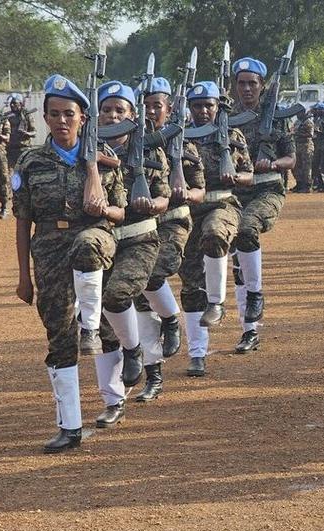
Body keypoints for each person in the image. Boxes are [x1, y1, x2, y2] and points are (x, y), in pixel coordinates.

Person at [12, 74, 127, 452]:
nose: (62, 121)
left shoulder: (102, 159)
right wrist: (24, 277)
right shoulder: (30, 161)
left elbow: (121, 211)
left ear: (82, 118)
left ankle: (100, 355)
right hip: (48, 250)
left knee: (86, 248)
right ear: (45, 117)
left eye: (69, 114)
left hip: (94, 237)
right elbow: (23, 221)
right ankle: (70, 425)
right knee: (60, 335)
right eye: (55, 114)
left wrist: (101, 203)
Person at [93, 80, 170, 426]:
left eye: (119, 110)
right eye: (106, 110)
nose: (112, 116)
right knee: (100, 323)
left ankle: (148, 364)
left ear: (132, 115)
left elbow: (165, 196)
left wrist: (152, 204)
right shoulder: (87, 152)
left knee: (123, 296)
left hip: (140, 240)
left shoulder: (149, 149)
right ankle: (113, 400)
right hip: (103, 245)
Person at [133, 76, 207, 401]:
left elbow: (200, 190)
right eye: (145, 106)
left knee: (156, 274)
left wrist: (185, 192)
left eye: (156, 106)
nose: (151, 111)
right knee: (139, 298)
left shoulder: (183, 146)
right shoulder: (129, 145)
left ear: (169, 108)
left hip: (173, 221)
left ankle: (173, 320)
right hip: (140, 226)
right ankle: (154, 375)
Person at [179, 81, 253, 376]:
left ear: (217, 107)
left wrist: (235, 176)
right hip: (188, 212)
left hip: (223, 204)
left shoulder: (232, 135)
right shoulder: (181, 137)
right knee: (189, 283)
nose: (202, 111)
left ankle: (217, 302)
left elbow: (249, 174)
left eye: (208, 105)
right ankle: (197, 353)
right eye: (197, 106)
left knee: (214, 233)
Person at [231, 56, 296, 353]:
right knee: (237, 262)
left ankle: (256, 294)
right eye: (242, 83)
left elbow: (291, 159)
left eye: (252, 84)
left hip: (268, 190)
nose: (247, 89)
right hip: (235, 194)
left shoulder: (277, 116)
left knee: (246, 229)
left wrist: (272, 163)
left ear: (262, 86)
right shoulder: (227, 118)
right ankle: (249, 331)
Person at [7, 93, 37, 170]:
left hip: (23, 149)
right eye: (11, 103)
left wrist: (27, 133)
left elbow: (34, 132)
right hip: (11, 149)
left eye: (14, 103)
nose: (12, 105)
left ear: (20, 104)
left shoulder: (26, 115)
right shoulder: (8, 116)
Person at [292, 110, 315, 193]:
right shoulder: (297, 122)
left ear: (303, 113)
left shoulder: (308, 122)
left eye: (298, 113)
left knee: (306, 167)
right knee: (297, 166)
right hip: (298, 146)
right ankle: (299, 184)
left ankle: (308, 185)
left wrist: (297, 134)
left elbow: (310, 134)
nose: (297, 115)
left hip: (306, 146)